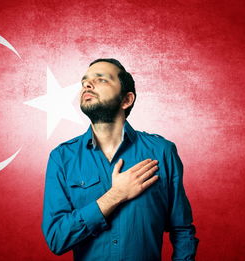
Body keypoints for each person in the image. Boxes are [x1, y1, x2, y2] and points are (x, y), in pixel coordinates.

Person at [41, 58, 198, 260]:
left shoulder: (162, 152)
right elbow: (57, 239)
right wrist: (116, 195)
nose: (87, 85)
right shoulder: (62, 158)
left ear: (126, 100)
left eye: (102, 80)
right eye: (84, 82)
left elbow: (182, 230)